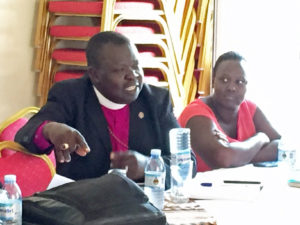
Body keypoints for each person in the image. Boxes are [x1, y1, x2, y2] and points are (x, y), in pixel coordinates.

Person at [15, 31, 196, 188]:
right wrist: (50, 130)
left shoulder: (156, 100)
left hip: (142, 206)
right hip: (85, 207)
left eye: (135, 66)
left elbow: (188, 163)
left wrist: (149, 166)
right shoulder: (70, 95)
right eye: (120, 70)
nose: (132, 76)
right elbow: (26, 136)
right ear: (95, 75)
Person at [178, 51, 281, 172]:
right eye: (225, 80)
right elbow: (223, 158)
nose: (232, 87)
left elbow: (282, 146)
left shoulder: (249, 108)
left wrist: (237, 157)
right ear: (213, 80)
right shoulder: (195, 114)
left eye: (240, 82)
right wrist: (261, 138)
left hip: (242, 187)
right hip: (200, 189)